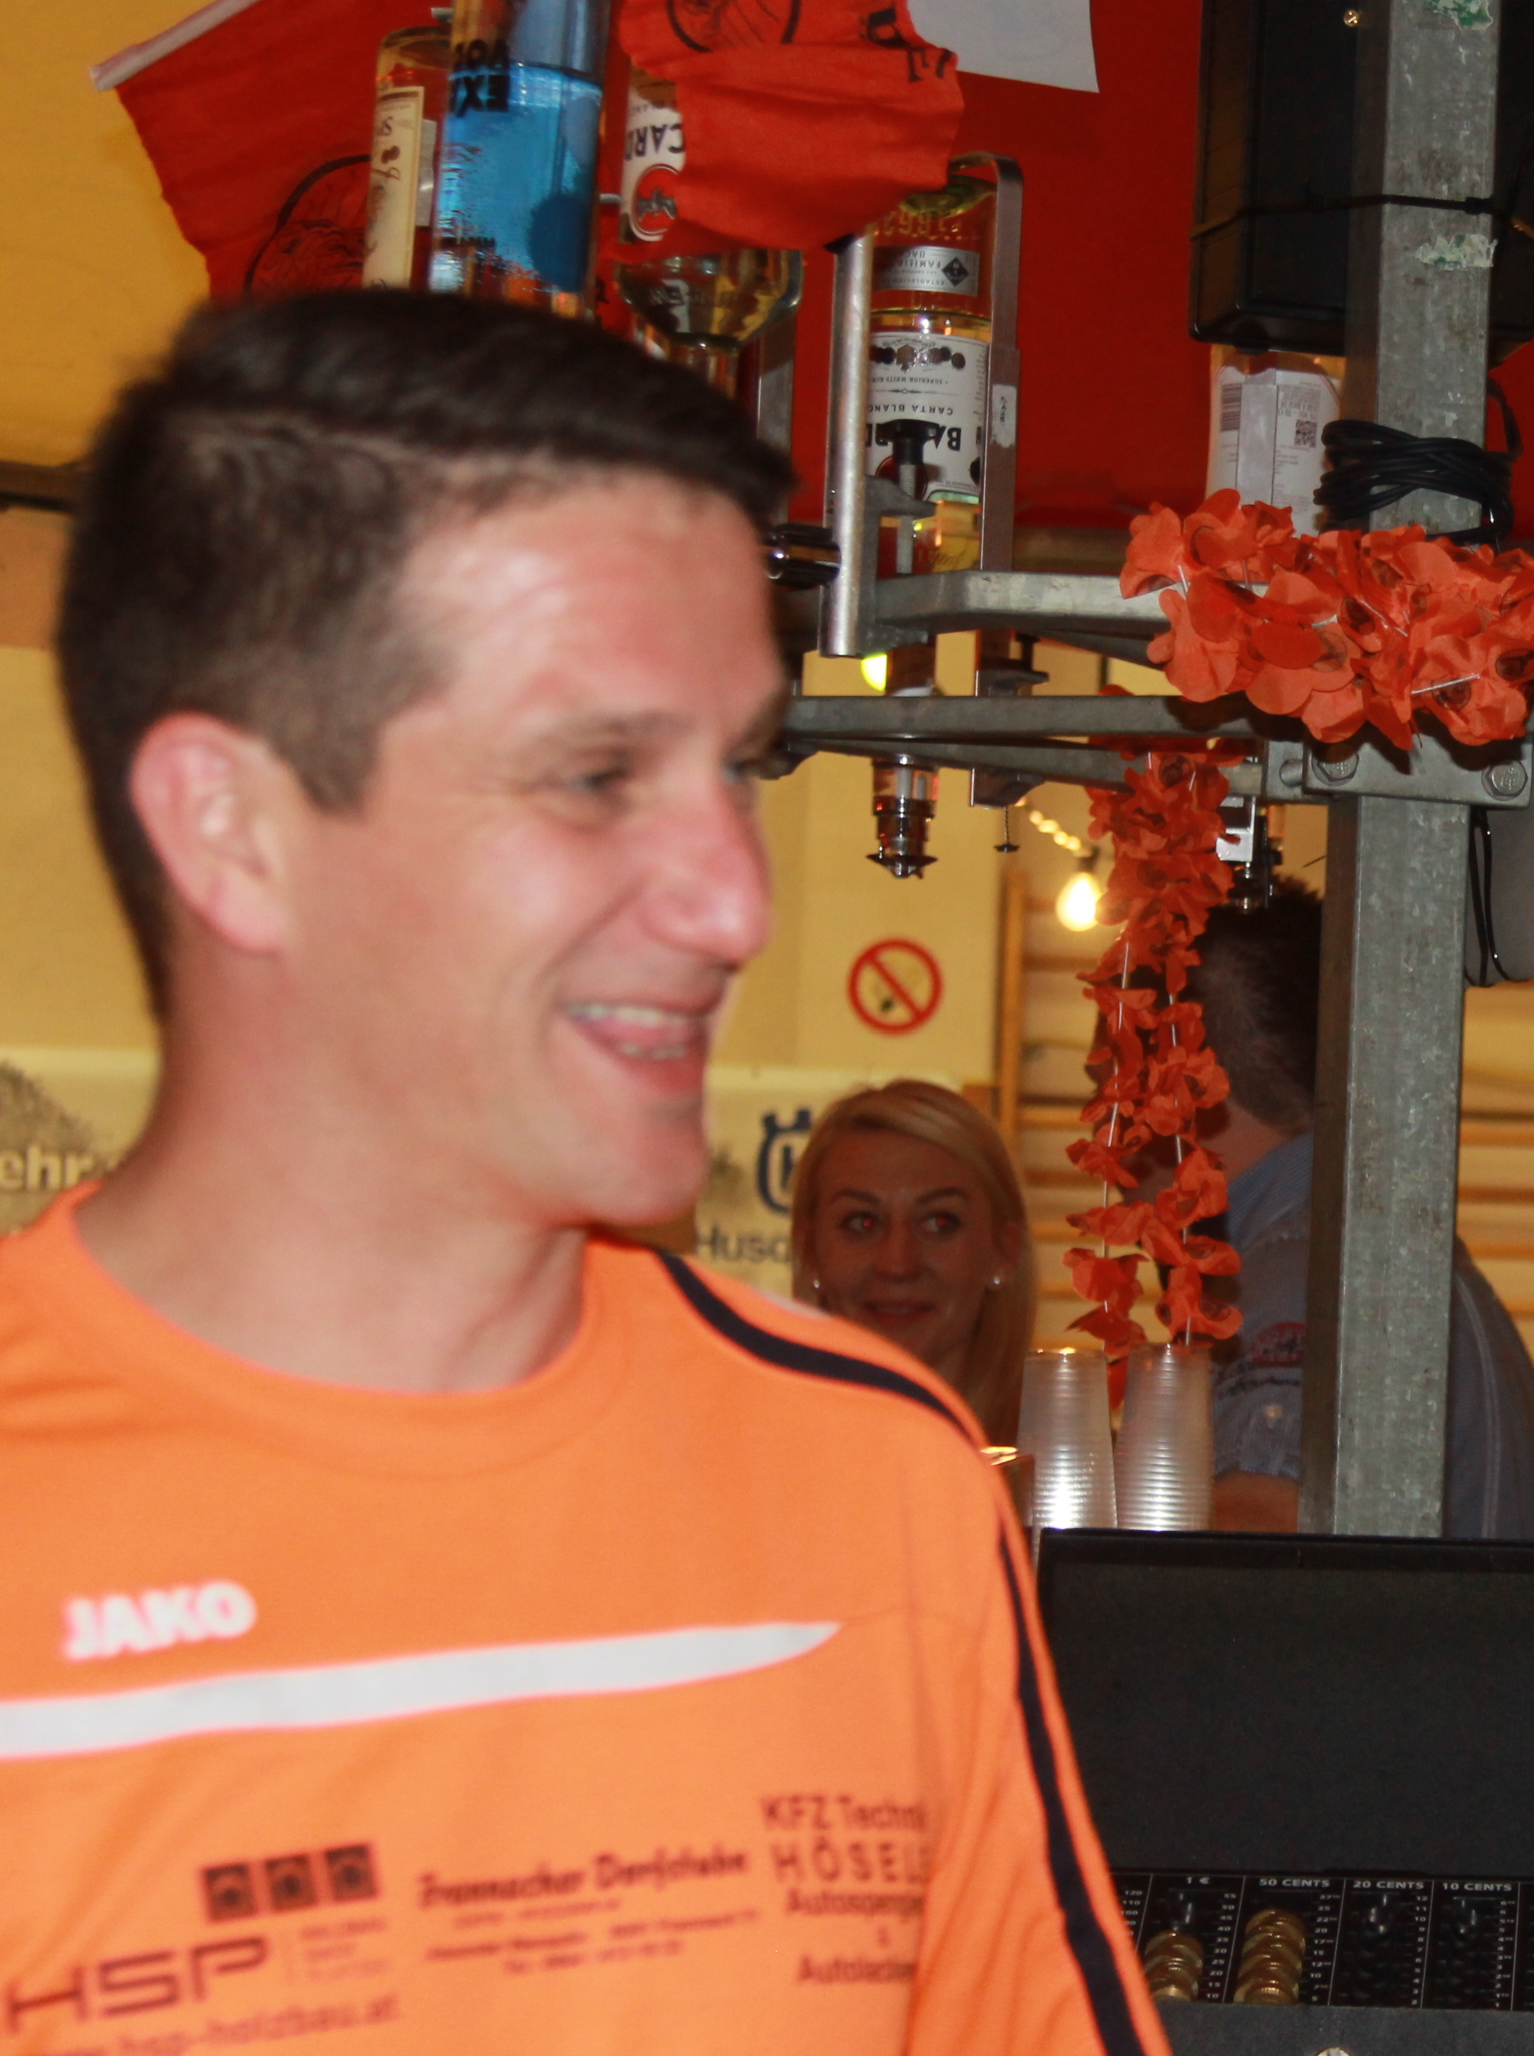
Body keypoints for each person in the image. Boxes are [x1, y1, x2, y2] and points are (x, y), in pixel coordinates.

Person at [7, 292, 1160, 2055]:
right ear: (233, 829)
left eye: (736, 769)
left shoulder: (874, 1479)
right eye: (596, 773)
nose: (735, 902)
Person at [1181, 878, 1534, 1538]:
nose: (1099, 1128)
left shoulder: (1301, 1282)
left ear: (1186, 1086)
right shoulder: (1378, 1255)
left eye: (1112, 1086)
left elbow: (1254, 1564)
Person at [792, 1079, 1033, 1445]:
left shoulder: (1069, 1470)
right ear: (809, 1249)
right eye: (862, 1222)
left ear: (1004, 1250)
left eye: (939, 1223)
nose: (898, 1264)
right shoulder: (744, 1456)